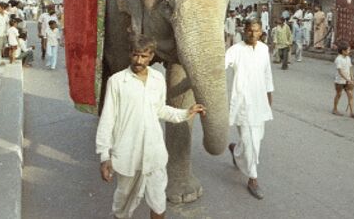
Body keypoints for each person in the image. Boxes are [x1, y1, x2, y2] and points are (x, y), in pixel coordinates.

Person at [96, 35, 205, 218]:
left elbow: (160, 110)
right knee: (123, 203)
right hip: (127, 153)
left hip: (154, 153)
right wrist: (104, 156)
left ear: (152, 56)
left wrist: (187, 112)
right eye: (135, 55)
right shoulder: (116, 81)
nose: (139, 60)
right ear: (130, 54)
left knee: (158, 202)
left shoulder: (157, 79)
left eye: (144, 56)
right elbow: (107, 119)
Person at [225, 19, 274, 200]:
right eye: (250, 30)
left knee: (257, 138)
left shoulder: (263, 49)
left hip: (260, 101)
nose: (253, 34)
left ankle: (235, 150)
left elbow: (267, 73)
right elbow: (219, 66)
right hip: (243, 103)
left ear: (261, 32)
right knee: (251, 141)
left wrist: (269, 97)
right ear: (243, 30)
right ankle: (253, 178)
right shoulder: (235, 50)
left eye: (257, 31)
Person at [332, 40, 354, 119]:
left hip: (347, 80)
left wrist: (351, 78)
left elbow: (350, 68)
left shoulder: (348, 58)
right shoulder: (338, 59)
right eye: (348, 50)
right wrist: (348, 79)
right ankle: (335, 109)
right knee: (339, 94)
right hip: (339, 81)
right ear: (343, 51)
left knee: (350, 95)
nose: (349, 51)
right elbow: (340, 72)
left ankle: (352, 112)